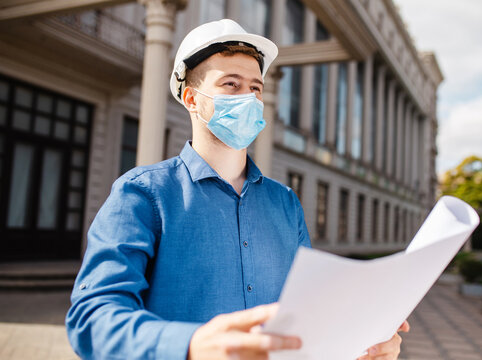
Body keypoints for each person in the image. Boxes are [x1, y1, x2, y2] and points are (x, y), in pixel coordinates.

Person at [66, 19, 408, 360]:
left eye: (255, 88)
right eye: (231, 84)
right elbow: (91, 317)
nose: (248, 98)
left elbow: (308, 310)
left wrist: (363, 341)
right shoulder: (142, 195)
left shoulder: (286, 203)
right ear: (191, 99)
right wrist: (191, 344)